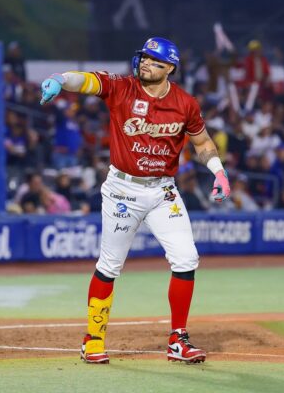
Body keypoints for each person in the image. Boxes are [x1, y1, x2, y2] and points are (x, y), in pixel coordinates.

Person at [40, 37, 231, 365]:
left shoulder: (185, 103)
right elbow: (86, 80)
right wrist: (61, 79)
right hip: (122, 189)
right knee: (110, 265)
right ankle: (93, 339)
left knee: (186, 259)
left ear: (169, 68)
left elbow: (201, 142)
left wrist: (218, 171)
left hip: (162, 191)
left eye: (154, 61)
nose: (145, 64)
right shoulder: (121, 88)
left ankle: (177, 340)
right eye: (144, 58)